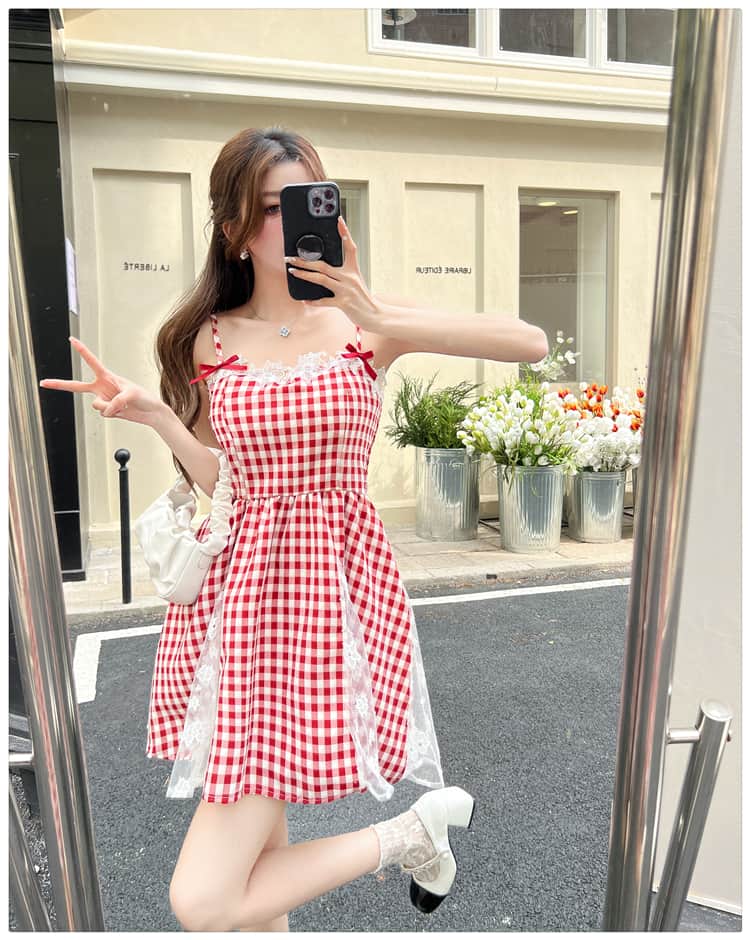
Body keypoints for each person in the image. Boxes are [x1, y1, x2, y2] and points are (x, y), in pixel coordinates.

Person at [39, 125, 548, 931]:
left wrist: (373, 308)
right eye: (272, 207)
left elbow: (529, 343)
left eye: (311, 199)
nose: (295, 221)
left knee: (204, 899)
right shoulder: (207, 339)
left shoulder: (365, 323)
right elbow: (224, 485)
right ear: (234, 228)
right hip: (237, 612)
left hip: (328, 603)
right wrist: (158, 418)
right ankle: (416, 836)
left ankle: (415, 833)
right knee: (249, 881)